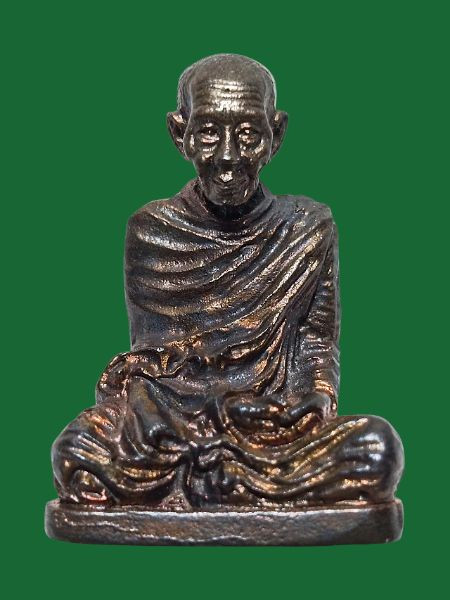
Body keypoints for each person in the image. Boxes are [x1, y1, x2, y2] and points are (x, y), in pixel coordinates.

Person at [52, 54, 403, 508]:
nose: (228, 157)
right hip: (175, 422)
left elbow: (316, 344)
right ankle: (227, 479)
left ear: (277, 134)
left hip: (271, 424)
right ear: (179, 135)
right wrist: (210, 410)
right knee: (76, 450)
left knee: (377, 449)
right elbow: (153, 362)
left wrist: (315, 397)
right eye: (208, 133)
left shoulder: (306, 228)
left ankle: (216, 479)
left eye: (249, 134)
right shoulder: (153, 230)